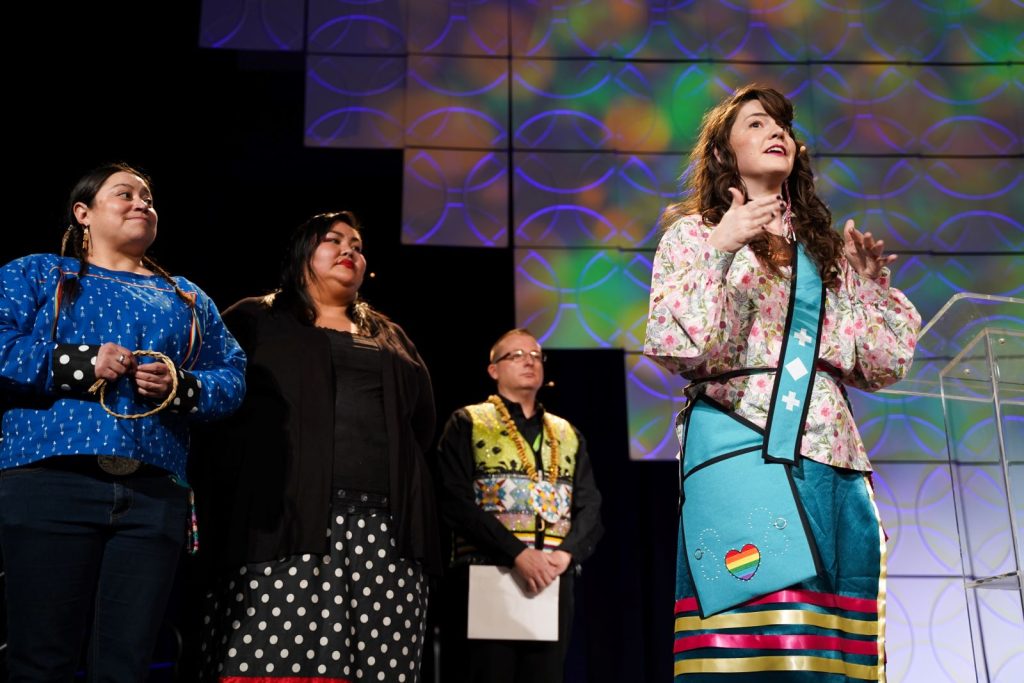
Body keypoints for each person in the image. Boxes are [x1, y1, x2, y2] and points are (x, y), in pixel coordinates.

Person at [644, 84, 921, 680]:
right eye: (755, 123)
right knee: (754, 645)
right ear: (722, 155)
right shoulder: (693, 236)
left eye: (783, 124)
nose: (777, 132)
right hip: (744, 451)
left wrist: (869, 289)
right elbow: (676, 345)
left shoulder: (824, 256)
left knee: (833, 652)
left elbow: (879, 366)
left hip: (832, 458)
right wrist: (723, 244)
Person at [0, 162, 247, 681]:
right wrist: (78, 363)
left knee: (127, 665)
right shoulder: (38, 274)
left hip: (153, 496)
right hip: (50, 481)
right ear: (82, 213)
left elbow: (233, 375)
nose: (143, 203)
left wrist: (183, 386)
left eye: (149, 197)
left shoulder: (186, 297)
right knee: (41, 658)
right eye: (125, 194)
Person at [194, 211, 439, 682]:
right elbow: (214, 407)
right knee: (268, 664)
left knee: (381, 666)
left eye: (357, 244)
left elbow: (420, 426)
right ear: (302, 253)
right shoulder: (254, 320)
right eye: (334, 240)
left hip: (385, 533)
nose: (349, 250)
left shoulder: (389, 336)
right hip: (284, 526)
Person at [435, 328, 603, 683]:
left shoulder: (567, 432)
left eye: (536, 355)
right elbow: (454, 500)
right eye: (516, 355)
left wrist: (565, 555)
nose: (529, 361)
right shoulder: (469, 421)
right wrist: (517, 553)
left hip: (552, 577)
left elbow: (590, 506)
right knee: (486, 673)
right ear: (493, 369)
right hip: (488, 571)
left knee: (546, 674)